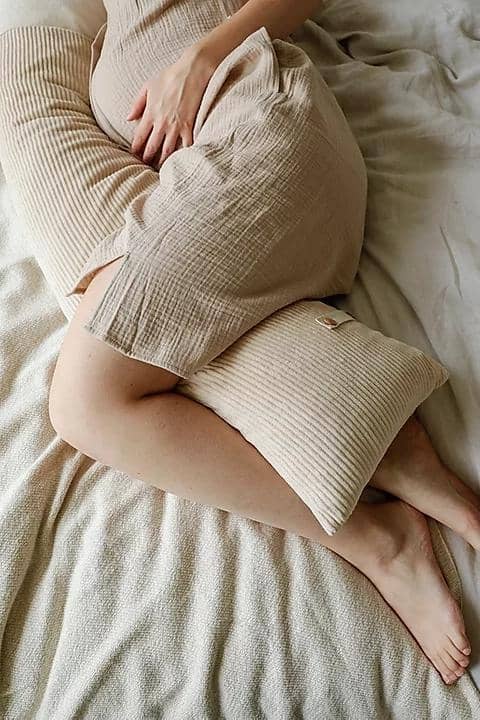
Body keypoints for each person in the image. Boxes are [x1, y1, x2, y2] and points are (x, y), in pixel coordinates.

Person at [48, 0, 479, 685]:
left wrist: (203, 56)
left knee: (85, 401)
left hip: (263, 130)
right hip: (221, 175)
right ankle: (388, 449)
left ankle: (378, 540)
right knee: (143, 355)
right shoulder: (95, 34)